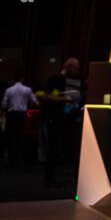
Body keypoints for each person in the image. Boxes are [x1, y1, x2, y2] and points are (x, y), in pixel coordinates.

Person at [39, 57, 84, 186]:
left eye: (77, 68)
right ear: (67, 67)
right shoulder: (56, 79)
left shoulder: (73, 81)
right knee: (54, 148)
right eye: (74, 68)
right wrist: (63, 99)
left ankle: (53, 177)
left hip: (69, 118)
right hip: (55, 118)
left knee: (61, 149)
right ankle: (49, 178)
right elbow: (46, 95)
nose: (76, 71)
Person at [1, 77, 37, 168]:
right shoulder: (27, 89)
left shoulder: (9, 90)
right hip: (22, 115)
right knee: (20, 137)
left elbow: (4, 104)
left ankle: (11, 160)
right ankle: (18, 159)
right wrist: (28, 106)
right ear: (22, 79)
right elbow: (35, 101)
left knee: (11, 137)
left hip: (11, 115)